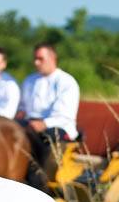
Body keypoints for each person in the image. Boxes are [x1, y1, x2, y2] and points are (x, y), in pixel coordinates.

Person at [17, 42, 80, 193]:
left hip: (58, 127)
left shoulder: (66, 82)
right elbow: (22, 107)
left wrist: (44, 123)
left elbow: (64, 114)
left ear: (53, 58)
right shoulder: (29, 80)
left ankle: (41, 182)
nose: (36, 62)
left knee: (48, 136)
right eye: (35, 59)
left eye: (40, 59)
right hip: (31, 124)